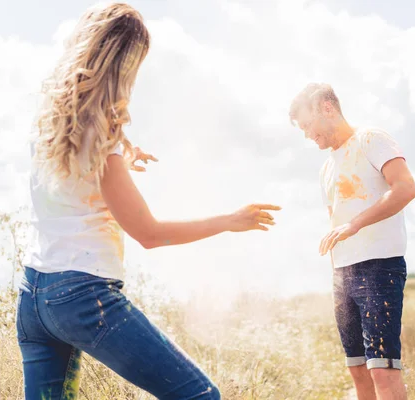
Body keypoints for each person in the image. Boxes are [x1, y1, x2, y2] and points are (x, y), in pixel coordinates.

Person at [16, 3, 280, 399]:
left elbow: (78, 177)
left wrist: (121, 155)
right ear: (125, 65)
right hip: (83, 298)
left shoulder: (49, 123)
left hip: (34, 298)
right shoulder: (102, 140)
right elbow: (149, 234)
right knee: (200, 395)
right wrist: (229, 220)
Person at [289, 83, 415, 400]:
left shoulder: (371, 139)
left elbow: (405, 188)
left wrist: (355, 224)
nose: (307, 134)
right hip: (342, 276)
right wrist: (336, 276)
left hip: (379, 267)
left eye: (307, 124)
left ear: (327, 108)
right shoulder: (327, 168)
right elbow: (335, 223)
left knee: (382, 371)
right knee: (358, 371)